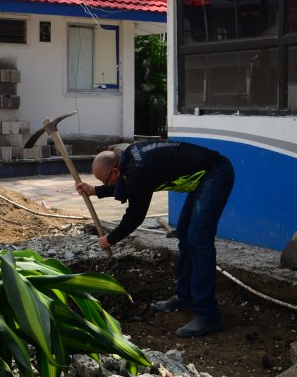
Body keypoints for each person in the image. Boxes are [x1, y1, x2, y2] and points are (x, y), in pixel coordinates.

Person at [76, 139, 235, 338]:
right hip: (202, 179)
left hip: (215, 174)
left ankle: (208, 315)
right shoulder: (128, 158)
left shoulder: (138, 170)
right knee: (185, 236)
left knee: (198, 241)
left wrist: (110, 239)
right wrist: (96, 191)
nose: (105, 184)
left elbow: (135, 216)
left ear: (116, 171)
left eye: (105, 181)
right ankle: (184, 296)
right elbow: (127, 185)